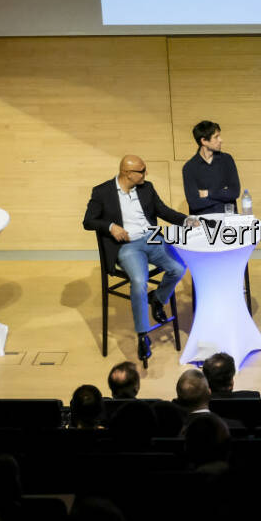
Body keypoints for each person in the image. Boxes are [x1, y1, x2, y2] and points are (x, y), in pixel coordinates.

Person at [83, 154, 194, 364]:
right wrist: (110, 226)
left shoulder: (146, 188)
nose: (146, 173)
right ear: (127, 173)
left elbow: (163, 211)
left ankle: (158, 299)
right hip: (127, 246)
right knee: (138, 281)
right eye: (141, 170)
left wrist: (186, 219)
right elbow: (88, 221)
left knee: (179, 268)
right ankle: (143, 335)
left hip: (151, 238)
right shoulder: (102, 192)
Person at [181, 119, 241, 216]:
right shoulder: (189, 167)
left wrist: (208, 193)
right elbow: (194, 203)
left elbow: (234, 192)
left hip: (228, 218)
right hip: (203, 221)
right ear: (204, 141)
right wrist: (223, 196)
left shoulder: (227, 160)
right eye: (216, 137)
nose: (221, 140)